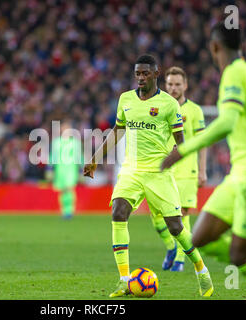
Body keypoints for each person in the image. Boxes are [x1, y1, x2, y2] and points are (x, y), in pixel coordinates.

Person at [161, 22, 246, 300]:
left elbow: (227, 122)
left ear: (214, 47)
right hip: (243, 174)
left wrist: (183, 151)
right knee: (198, 240)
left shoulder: (234, 74)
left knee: (239, 254)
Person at [83, 54, 213, 298]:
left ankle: (201, 269)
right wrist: (95, 159)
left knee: (176, 227)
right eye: (137, 74)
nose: (140, 78)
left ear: (156, 74)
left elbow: (181, 144)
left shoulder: (169, 105)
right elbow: (116, 131)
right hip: (131, 170)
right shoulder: (125, 100)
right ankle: (123, 280)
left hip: (158, 174)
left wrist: (172, 161)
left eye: (145, 73)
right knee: (118, 212)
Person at [151, 66, 207, 272]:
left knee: (181, 215)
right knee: (157, 216)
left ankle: (181, 261)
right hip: (163, 170)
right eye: (170, 84)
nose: (173, 88)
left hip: (186, 170)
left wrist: (202, 170)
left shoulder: (194, 111)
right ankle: (171, 247)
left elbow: (202, 143)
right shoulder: (159, 108)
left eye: (177, 84)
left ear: (185, 85)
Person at [47, 119, 82, 219]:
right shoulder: (56, 142)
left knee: (69, 188)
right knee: (62, 190)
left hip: (71, 169)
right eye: (64, 128)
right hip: (60, 169)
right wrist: (49, 169)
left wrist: (80, 171)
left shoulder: (75, 143)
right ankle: (64, 211)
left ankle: (69, 211)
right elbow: (52, 157)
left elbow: (79, 158)